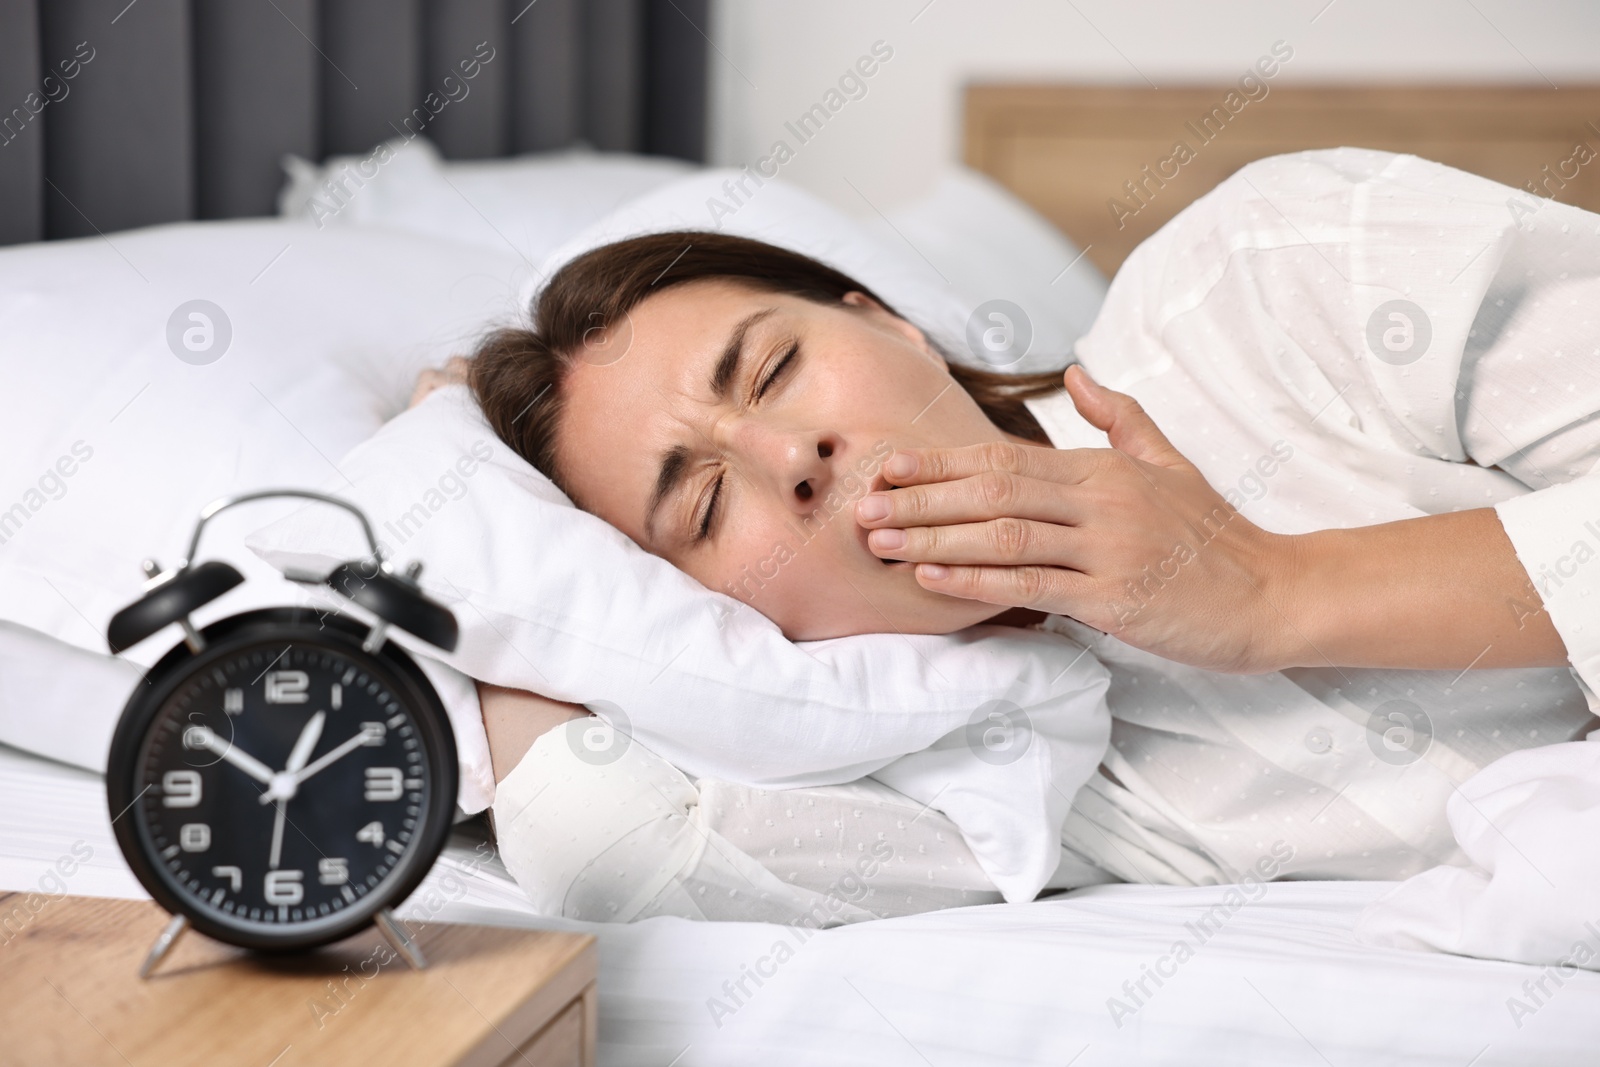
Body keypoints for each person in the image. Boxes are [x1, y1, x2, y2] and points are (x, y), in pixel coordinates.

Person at [412, 150, 1600, 917]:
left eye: (776, 369)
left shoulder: (1268, 281)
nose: (788, 459)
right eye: (706, 505)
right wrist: (461, 512)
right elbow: (603, 842)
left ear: (893, 326)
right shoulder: (988, 775)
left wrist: (1277, 589)